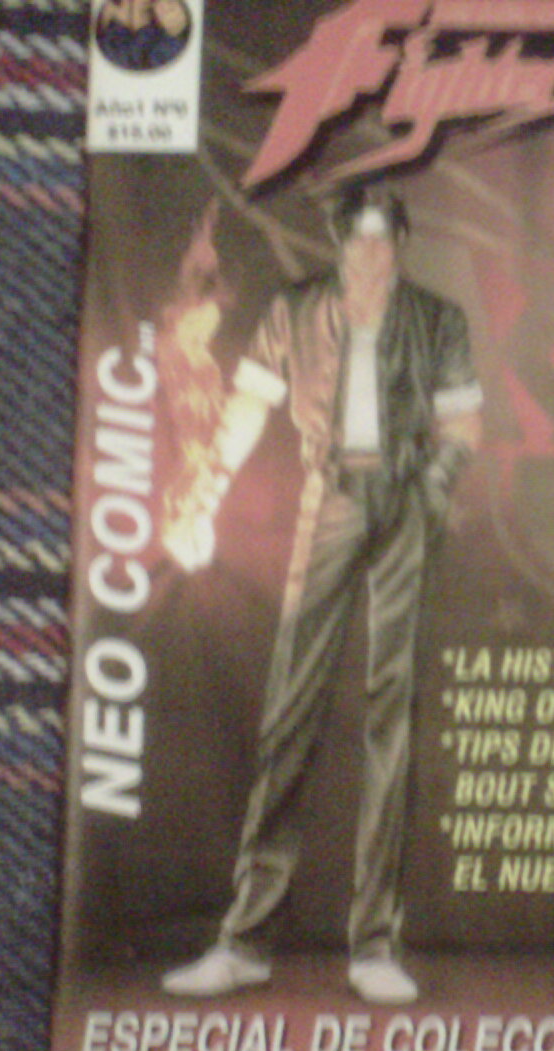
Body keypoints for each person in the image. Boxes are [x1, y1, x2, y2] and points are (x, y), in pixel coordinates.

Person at [161, 191, 483, 1005]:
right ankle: (245, 943)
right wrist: (207, 492)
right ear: (338, 246)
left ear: (401, 243)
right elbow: (248, 406)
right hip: (328, 496)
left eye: (383, 240)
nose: (370, 255)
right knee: (289, 710)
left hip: (403, 500)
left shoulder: (438, 320)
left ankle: (375, 946)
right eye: (356, 241)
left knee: (391, 718)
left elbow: (462, 427)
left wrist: (429, 494)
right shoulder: (294, 312)